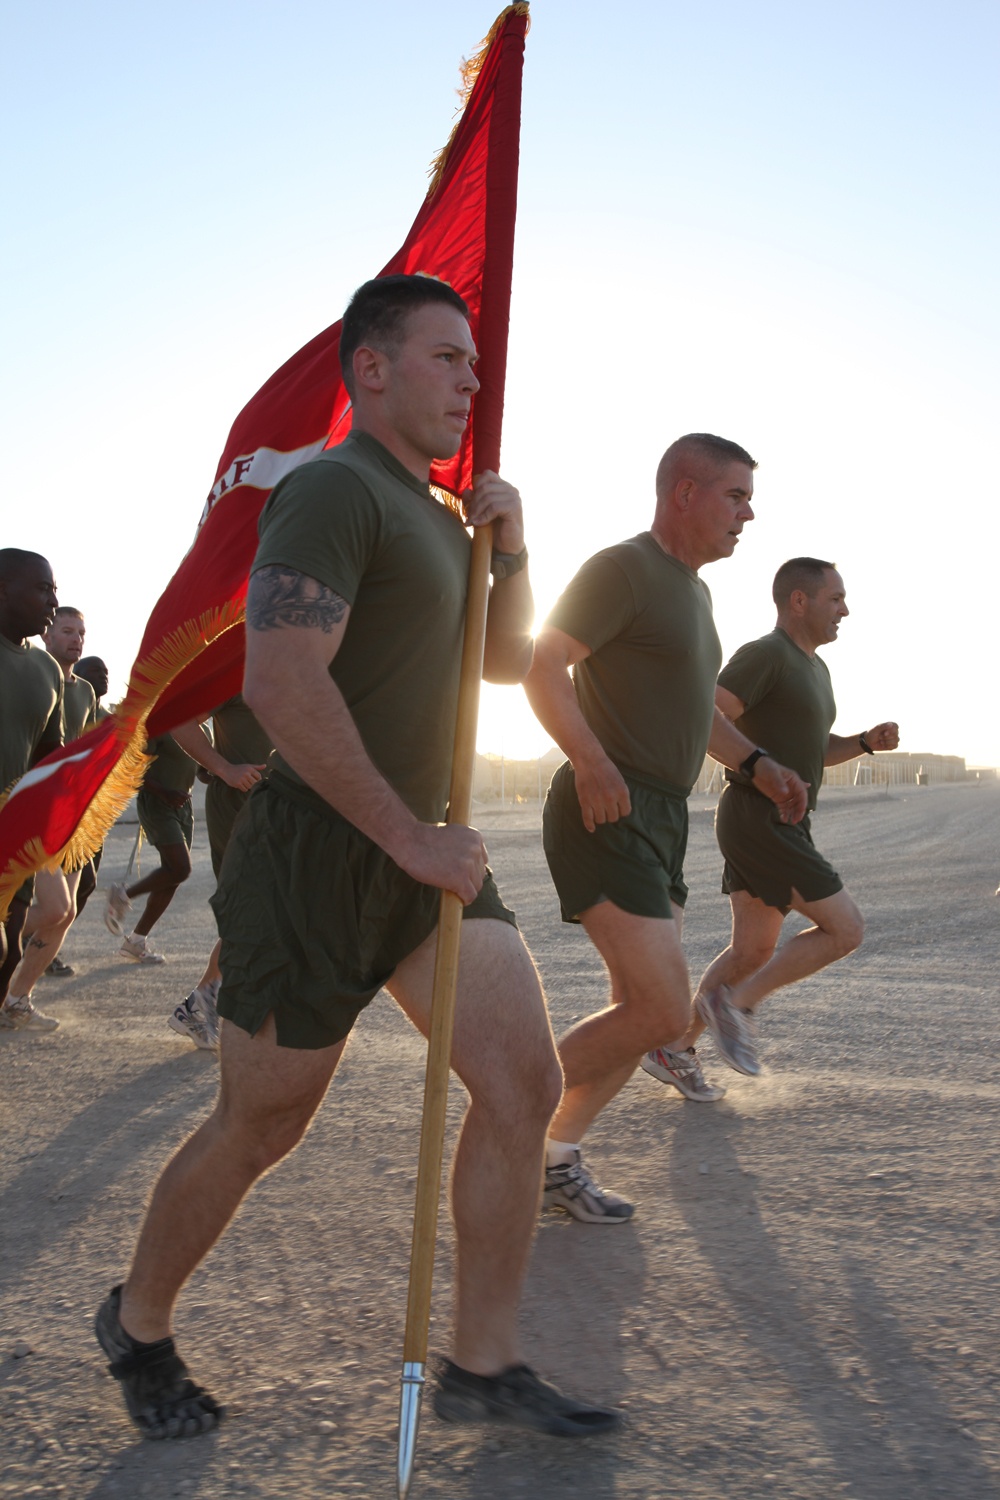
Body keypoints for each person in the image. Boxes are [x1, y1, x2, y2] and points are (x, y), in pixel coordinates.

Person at [95, 275, 618, 1442]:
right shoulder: (333, 489)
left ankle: (484, 1363)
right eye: (447, 357)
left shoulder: (440, 515)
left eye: (474, 364)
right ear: (372, 369)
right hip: (322, 851)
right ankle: (135, 1322)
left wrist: (515, 545)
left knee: (522, 1085)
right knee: (263, 1123)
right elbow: (281, 678)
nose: (470, 380)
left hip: (425, 853)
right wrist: (406, 835)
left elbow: (496, 666)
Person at [523, 434, 809, 1224]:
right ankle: (506, 1124)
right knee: (657, 1011)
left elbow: (698, 718)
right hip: (607, 807)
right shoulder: (624, 569)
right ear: (684, 492)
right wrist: (588, 759)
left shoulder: (696, 595)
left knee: (635, 1009)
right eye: (736, 496)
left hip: (661, 816)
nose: (748, 514)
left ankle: (551, 1157)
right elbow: (543, 664)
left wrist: (759, 765)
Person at [653, 557, 898, 1079]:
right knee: (846, 929)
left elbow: (812, 748)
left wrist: (860, 744)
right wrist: (760, 770)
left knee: (752, 949)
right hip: (758, 814)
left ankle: (673, 1049)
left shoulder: (815, 667)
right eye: (836, 599)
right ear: (799, 601)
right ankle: (736, 1006)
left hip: (781, 820)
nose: (845, 610)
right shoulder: (768, 654)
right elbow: (706, 714)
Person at [167, 697, 270, 1048]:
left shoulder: (301, 657)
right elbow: (180, 720)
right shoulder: (237, 661)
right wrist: (223, 767)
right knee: (250, 910)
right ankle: (203, 1003)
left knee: (268, 911)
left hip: (286, 810)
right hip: (242, 808)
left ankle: (204, 1002)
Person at [0, 549, 64, 1031]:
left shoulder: (47, 672)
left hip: (15, 836)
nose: (53, 600)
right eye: (43, 588)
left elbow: (48, 758)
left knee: (8, 953)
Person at [24, 607, 98, 979]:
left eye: (81, 633)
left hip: (73, 814)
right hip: (35, 808)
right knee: (52, 907)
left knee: (66, 913)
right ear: (46, 636)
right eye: (67, 631)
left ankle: (18, 998)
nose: (76, 639)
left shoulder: (85, 692)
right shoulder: (32, 676)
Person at [104, 733, 198, 964]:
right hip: (159, 804)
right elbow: (132, 770)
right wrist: (165, 793)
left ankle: (136, 941)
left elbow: (202, 767)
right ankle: (123, 894)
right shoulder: (160, 724)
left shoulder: (198, 728)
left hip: (183, 805)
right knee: (180, 868)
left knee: (173, 875)